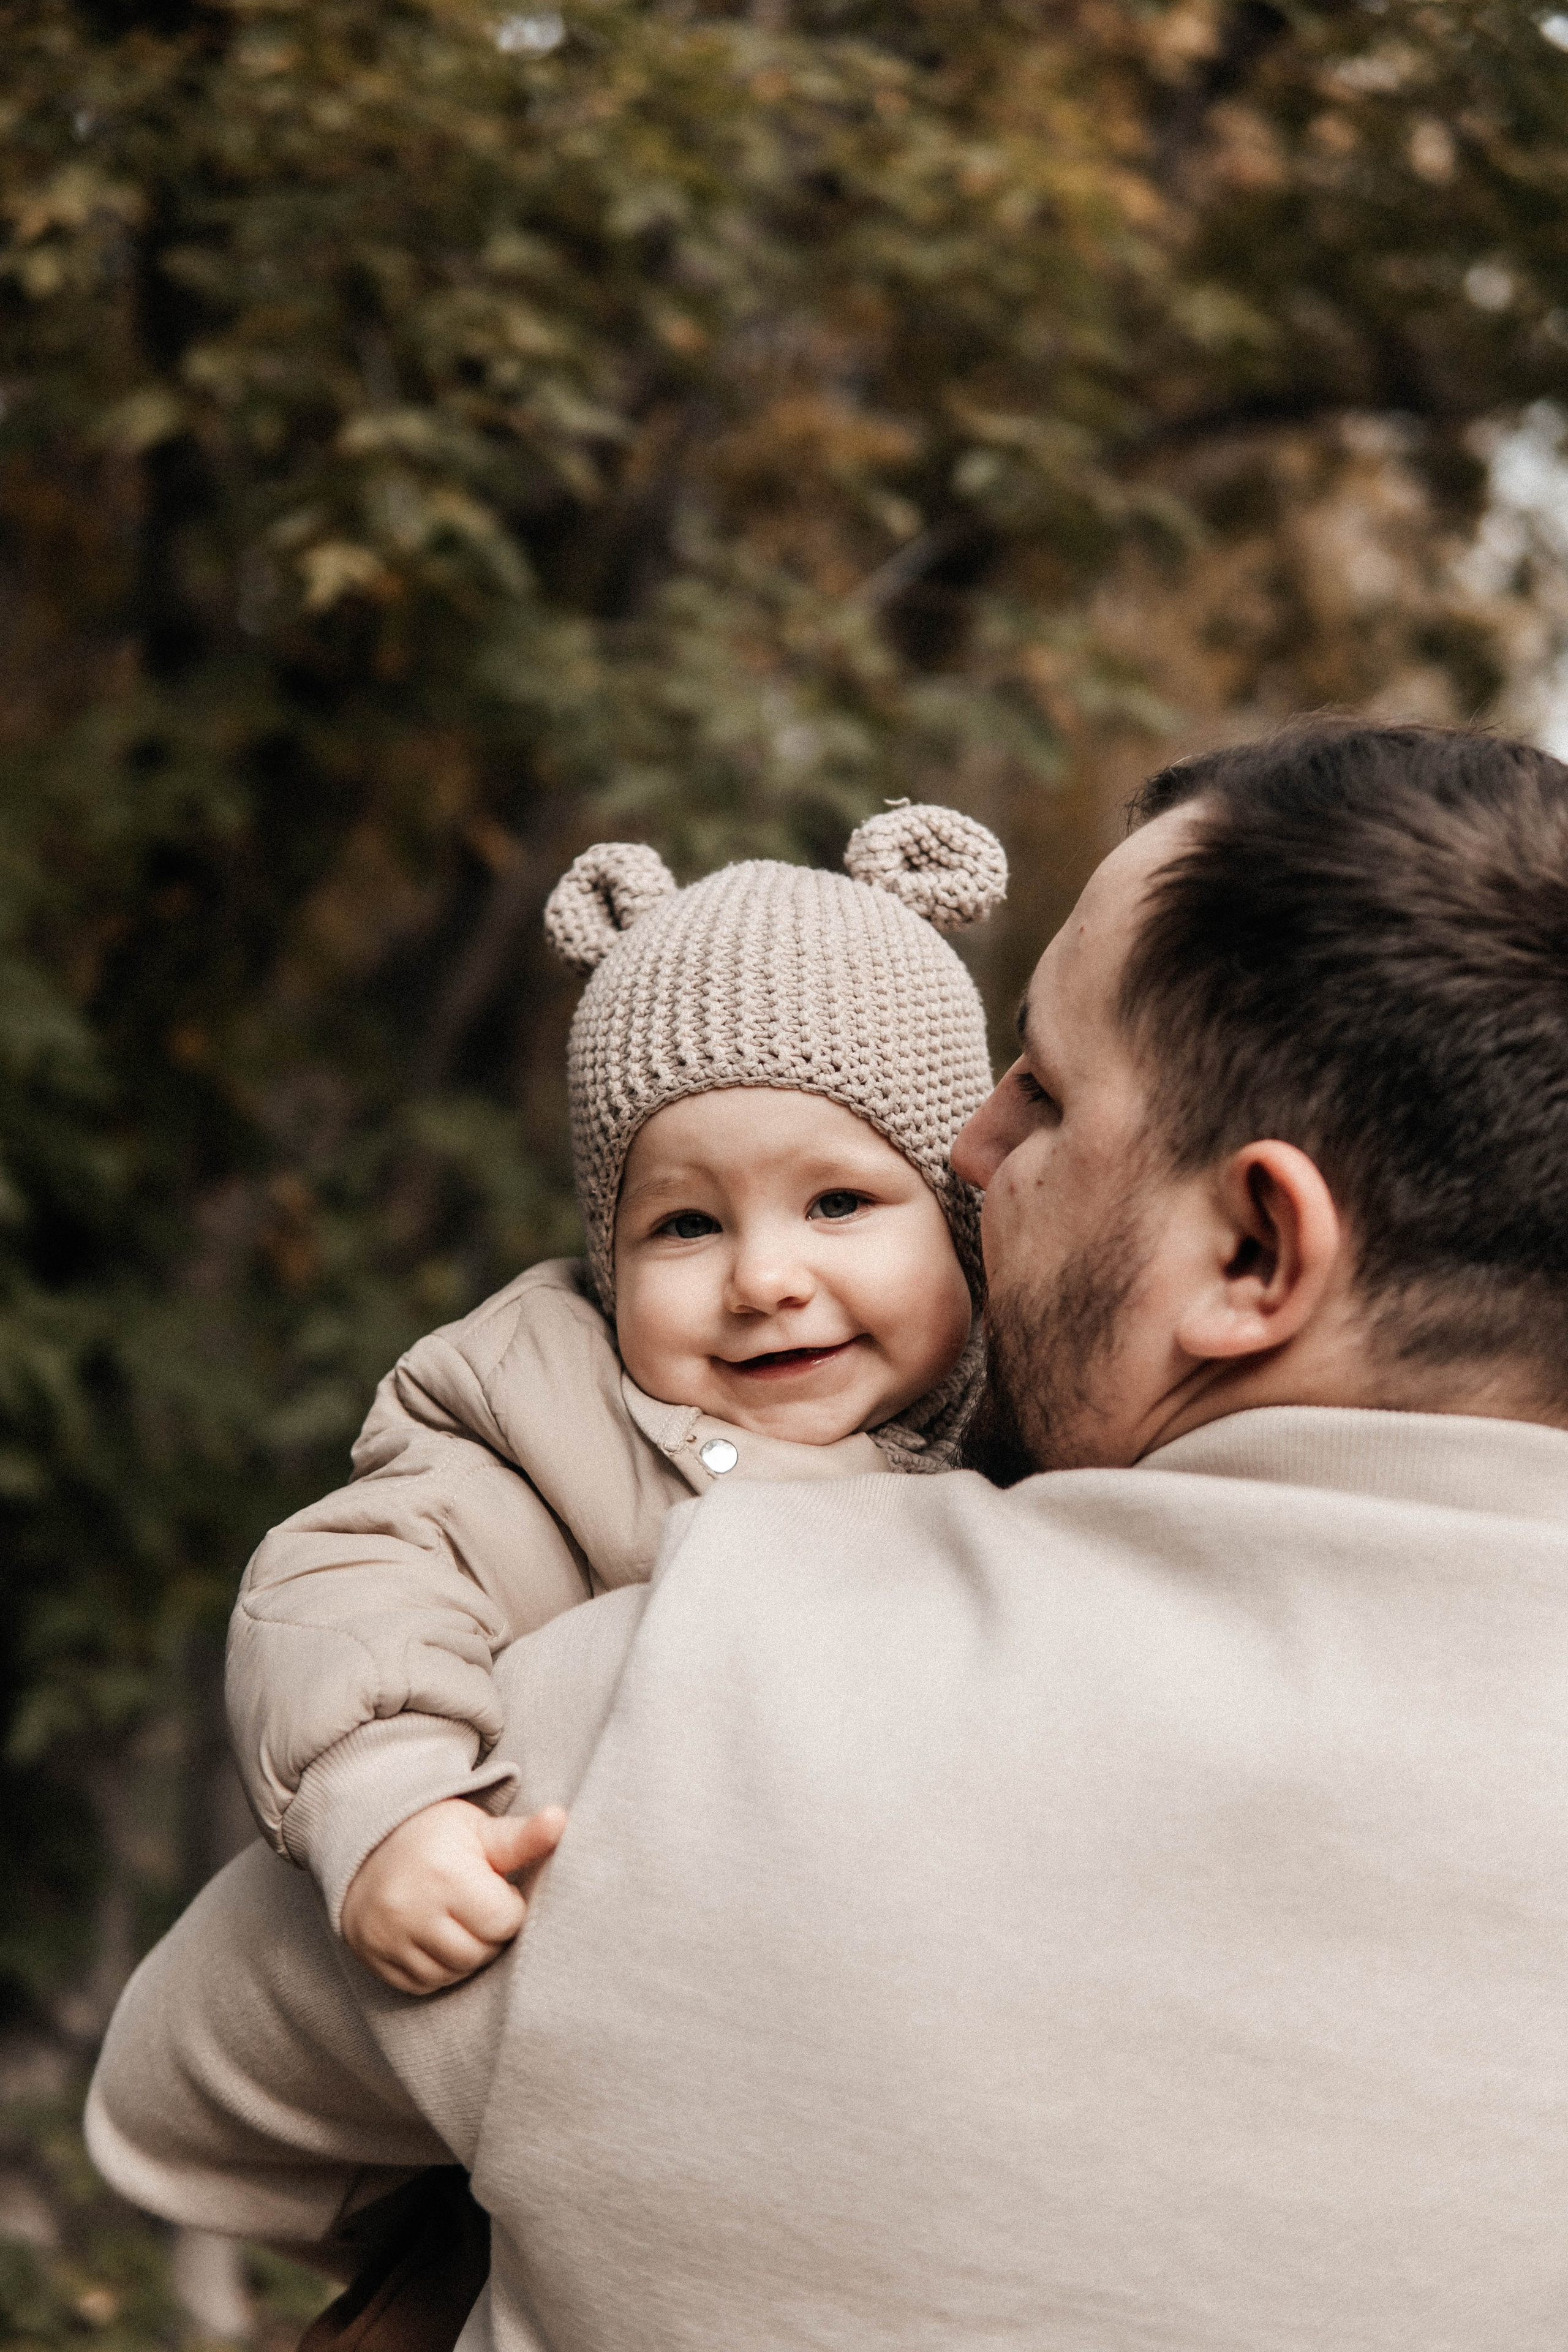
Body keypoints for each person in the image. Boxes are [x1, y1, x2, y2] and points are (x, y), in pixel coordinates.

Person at [89, 724, 1568, 2348]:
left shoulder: (662, 1703)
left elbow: (181, 2098)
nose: (971, 1148)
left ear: (1253, 1245)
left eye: (1047, 1093)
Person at [227, 803, 1006, 1993]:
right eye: (684, 1224)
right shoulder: (543, 1423)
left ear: (954, 1214)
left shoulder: (1033, 1409)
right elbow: (349, 1586)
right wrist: (389, 1808)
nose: (763, 1280)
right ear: (607, 1257)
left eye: (838, 1203)